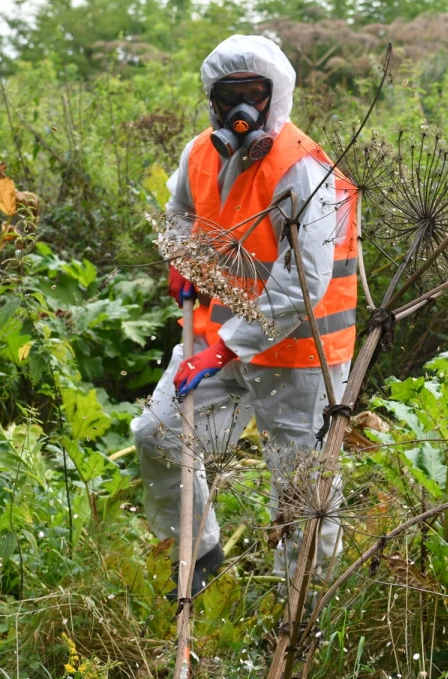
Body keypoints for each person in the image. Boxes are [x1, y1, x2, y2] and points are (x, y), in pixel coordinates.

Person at [131, 35, 357, 600]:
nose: (241, 110)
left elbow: (302, 282)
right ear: (212, 97)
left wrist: (223, 349)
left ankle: (298, 617)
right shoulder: (198, 154)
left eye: (253, 95)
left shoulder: (306, 173)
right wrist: (179, 261)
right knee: (159, 435)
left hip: (303, 356)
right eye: (229, 95)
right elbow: (180, 211)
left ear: (275, 97)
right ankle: (198, 557)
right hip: (220, 340)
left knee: (302, 495)